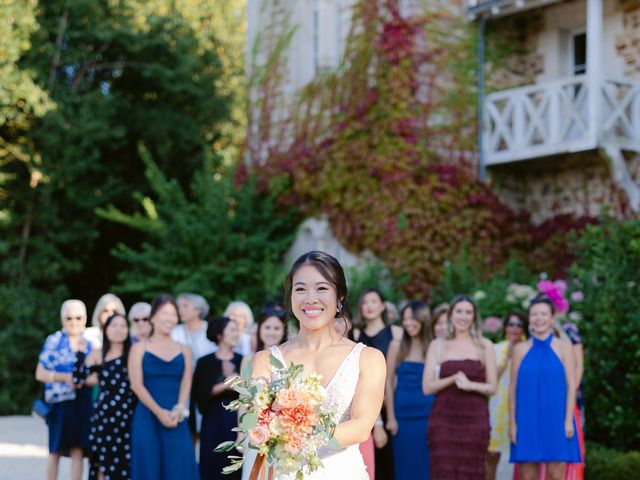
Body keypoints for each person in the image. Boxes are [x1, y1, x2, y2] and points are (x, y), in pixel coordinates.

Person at [251, 251, 386, 479]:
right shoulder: (265, 360)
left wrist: (301, 435)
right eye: (301, 289)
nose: (310, 298)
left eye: (322, 289)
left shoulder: (368, 358)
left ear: (340, 297)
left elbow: (362, 427)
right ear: (291, 297)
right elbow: (255, 422)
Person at [423, 294, 497, 479]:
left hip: (475, 420)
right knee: (443, 470)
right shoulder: (438, 345)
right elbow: (427, 387)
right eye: (459, 311)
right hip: (444, 420)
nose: (463, 317)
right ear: (451, 315)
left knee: (473, 470)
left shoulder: (485, 345)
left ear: (474, 317)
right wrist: (453, 378)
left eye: (468, 312)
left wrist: (470, 385)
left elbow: (493, 387)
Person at [128, 294, 199, 480]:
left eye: (173, 314)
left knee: (180, 468)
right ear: (152, 318)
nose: (169, 318)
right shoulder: (139, 348)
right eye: (164, 313)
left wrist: (180, 408)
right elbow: (136, 385)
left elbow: (187, 382)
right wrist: (159, 412)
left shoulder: (185, 349)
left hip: (176, 417)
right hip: (148, 417)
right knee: (149, 469)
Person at [509, 297, 581, 480]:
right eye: (534, 314)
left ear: (551, 318)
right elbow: (513, 388)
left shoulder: (564, 347)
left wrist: (568, 420)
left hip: (557, 418)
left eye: (543, 314)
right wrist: (512, 423)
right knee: (526, 476)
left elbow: (572, 384)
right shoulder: (520, 349)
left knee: (556, 475)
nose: (538, 318)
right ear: (529, 318)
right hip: (527, 419)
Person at [35, 299, 93, 480]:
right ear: (62, 320)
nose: (74, 322)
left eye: (78, 317)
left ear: (84, 319)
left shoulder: (89, 344)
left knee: (78, 451)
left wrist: (83, 381)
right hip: (60, 404)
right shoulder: (54, 341)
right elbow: (40, 373)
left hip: (82, 402)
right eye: (69, 318)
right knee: (55, 450)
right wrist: (64, 378)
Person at [73, 313, 136, 480]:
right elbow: (78, 380)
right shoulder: (97, 354)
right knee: (101, 461)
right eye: (114, 325)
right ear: (105, 329)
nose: (119, 329)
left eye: (123, 325)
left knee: (125, 462)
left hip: (129, 414)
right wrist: (79, 354)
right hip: (104, 415)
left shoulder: (133, 352)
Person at [356, 289, 403, 480]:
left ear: (383, 305)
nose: (369, 306)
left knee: (389, 460)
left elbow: (399, 369)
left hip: (389, 402)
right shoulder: (356, 333)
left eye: (374, 301)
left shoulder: (396, 333)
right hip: (363, 402)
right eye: (365, 302)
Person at [385, 301, 434, 480]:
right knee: (405, 468)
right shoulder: (397, 345)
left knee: (427, 468)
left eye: (413, 318)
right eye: (405, 319)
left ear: (424, 319)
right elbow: (388, 383)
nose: (408, 323)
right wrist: (391, 418)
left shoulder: (433, 346)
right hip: (402, 417)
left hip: (428, 416)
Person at [241, 307, 289, 480]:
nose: (271, 332)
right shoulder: (248, 359)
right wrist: (241, 432)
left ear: (283, 331)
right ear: (260, 329)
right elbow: (244, 399)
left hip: (282, 430)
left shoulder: (289, 357)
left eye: (276, 328)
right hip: (256, 430)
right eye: (267, 327)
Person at [193, 317, 243, 480]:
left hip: (237, 420)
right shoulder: (205, 362)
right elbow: (199, 394)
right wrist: (225, 385)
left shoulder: (242, 360)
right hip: (214, 419)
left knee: (236, 462)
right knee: (213, 462)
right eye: (232, 330)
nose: (237, 334)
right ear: (220, 335)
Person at [486, 312, 528, 480]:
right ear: (505, 327)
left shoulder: (530, 349)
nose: (514, 328)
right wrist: (507, 357)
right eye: (511, 324)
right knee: (492, 454)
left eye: (519, 325)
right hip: (497, 406)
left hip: (521, 406)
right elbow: (491, 379)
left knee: (520, 456)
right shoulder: (495, 349)